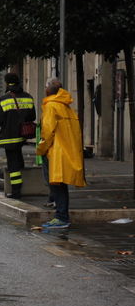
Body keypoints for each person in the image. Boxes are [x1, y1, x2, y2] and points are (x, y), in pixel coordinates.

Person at [36, 78, 86, 228]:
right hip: (66, 150)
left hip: (55, 151)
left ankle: (61, 217)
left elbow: (47, 131)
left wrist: (41, 148)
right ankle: (62, 215)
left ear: (47, 90)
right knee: (61, 185)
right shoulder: (67, 107)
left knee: (56, 185)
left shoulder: (51, 106)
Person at [0, 72, 36, 199]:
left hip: (9, 135)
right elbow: (32, 116)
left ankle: (16, 191)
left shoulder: (2, 100)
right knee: (18, 157)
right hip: (22, 134)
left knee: (13, 165)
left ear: (7, 83)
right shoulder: (28, 97)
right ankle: (21, 179)